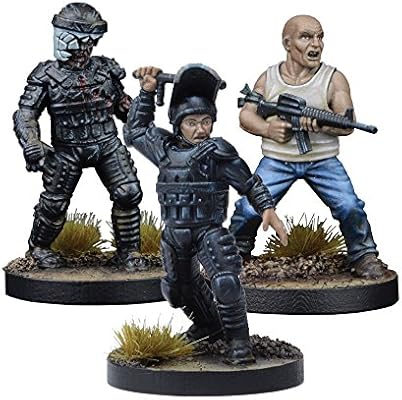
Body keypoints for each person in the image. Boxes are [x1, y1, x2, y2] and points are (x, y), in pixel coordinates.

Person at [123, 64, 288, 364]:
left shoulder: (217, 153)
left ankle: (239, 343)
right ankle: (209, 325)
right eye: (192, 123)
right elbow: (134, 131)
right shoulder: (163, 149)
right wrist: (146, 92)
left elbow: (249, 183)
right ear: (178, 124)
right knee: (176, 291)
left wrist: (267, 208)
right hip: (174, 233)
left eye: (206, 121)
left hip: (208, 230)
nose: (201, 129)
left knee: (225, 282)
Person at [229, 15, 386, 279]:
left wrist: (322, 125)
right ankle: (235, 252)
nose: (316, 44)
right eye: (306, 37)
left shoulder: (333, 79)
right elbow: (246, 115)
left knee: (349, 206)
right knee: (248, 208)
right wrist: (267, 129)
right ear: (287, 43)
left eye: (320, 37)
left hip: (322, 160)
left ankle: (363, 255)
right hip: (277, 160)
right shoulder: (269, 79)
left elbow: (346, 123)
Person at [13, 3, 143, 270]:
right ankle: (38, 248)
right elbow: (25, 113)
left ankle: (129, 252)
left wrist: (136, 107)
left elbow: (122, 106)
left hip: (106, 144)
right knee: (54, 203)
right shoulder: (47, 75)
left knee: (128, 193)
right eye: (81, 41)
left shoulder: (105, 69)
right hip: (67, 149)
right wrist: (32, 143)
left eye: (90, 42)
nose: (85, 49)